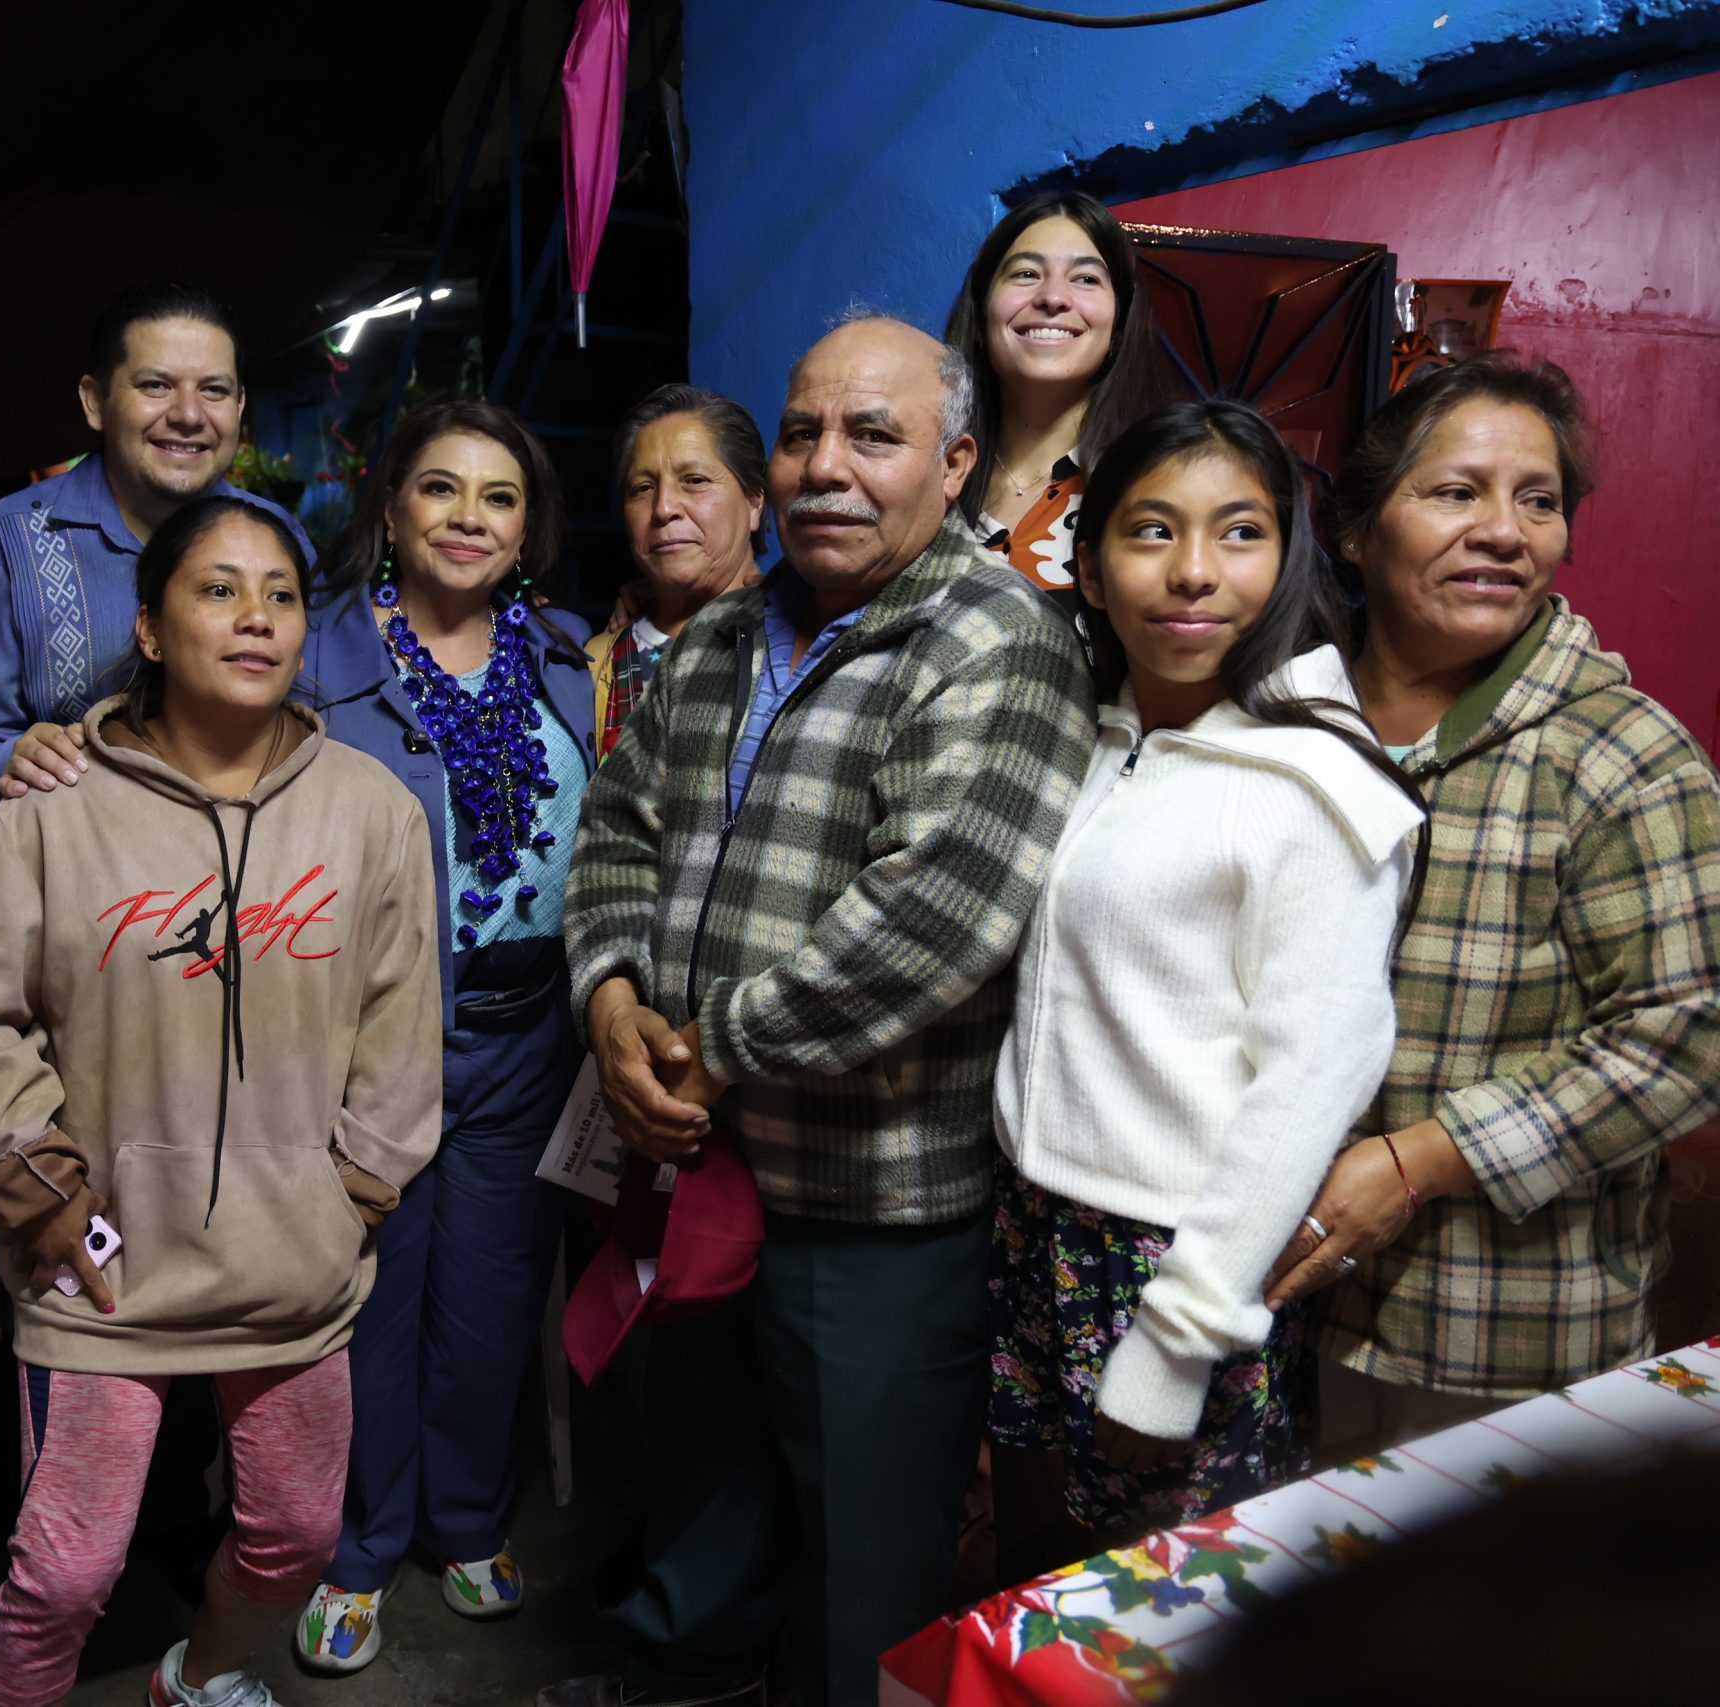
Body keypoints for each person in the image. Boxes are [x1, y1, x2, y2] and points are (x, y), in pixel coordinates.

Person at [549, 312, 1095, 1707]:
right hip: (698, 1166)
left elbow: (936, 917)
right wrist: (610, 998)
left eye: (874, 434)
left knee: (863, 1558)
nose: (824, 467)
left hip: (874, 1201)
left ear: (958, 461)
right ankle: (673, 1686)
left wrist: (699, 1049)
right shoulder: (727, 633)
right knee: (706, 1493)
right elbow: (616, 826)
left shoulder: (999, 639)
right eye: (801, 431)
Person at [0, 496, 442, 1707]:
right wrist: (39, 1194)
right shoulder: (52, 810)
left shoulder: (373, 813)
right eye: (217, 590)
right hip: (103, 1275)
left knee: (296, 1537)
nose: (255, 617)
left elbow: (402, 1031)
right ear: (149, 629)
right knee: (62, 1574)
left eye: (281, 594)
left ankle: (195, 1681)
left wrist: (348, 1191)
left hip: (290, 1272)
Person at [985, 400, 1423, 1574]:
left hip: (1173, 1260)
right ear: (1087, 562)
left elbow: (1313, 1075)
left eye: (1238, 532)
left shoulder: (1311, 783)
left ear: (1286, 556)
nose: (1192, 574)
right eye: (1148, 531)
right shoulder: (1093, 739)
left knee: (1176, 1597)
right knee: (1054, 1583)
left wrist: (1178, 1340)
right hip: (1040, 1225)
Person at [1263, 353, 1720, 1454]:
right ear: (1358, 529)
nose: (1505, 533)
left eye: (1539, 501)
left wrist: (1414, 1164)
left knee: (1466, 1622)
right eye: (1455, 492)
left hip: (1494, 1332)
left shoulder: (1618, 753)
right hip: (1268, 1297)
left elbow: (1688, 1035)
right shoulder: (1278, 728)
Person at [290, 397, 597, 1675]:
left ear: (529, 528)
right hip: (370, 1043)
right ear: (391, 509)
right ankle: (357, 1546)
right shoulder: (311, 658)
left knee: (488, 1297)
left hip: (532, 1038)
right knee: (368, 1301)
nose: (469, 519)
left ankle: (463, 1518)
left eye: (499, 497)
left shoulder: (576, 656)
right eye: (439, 490)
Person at [0, 282, 310, 806]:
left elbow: (316, 717)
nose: (188, 414)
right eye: (156, 385)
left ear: (240, 405)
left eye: (214, 390)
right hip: (81, 869)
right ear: (96, 401)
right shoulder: (11, 541)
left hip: (264, 867)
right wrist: (10, 760)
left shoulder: (280, 540)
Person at [942, 190, 1170, 633]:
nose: (1053, 298)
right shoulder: (923, 478)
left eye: (1086, 279)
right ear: (982, 312)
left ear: (1118, 327)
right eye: (1026, 273)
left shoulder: (1154, 483)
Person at [589, 384, 768, 755]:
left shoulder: (804, 638)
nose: (663, 507)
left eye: (695, 481)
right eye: (643, 487)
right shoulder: (598, 665)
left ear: (754, 503)